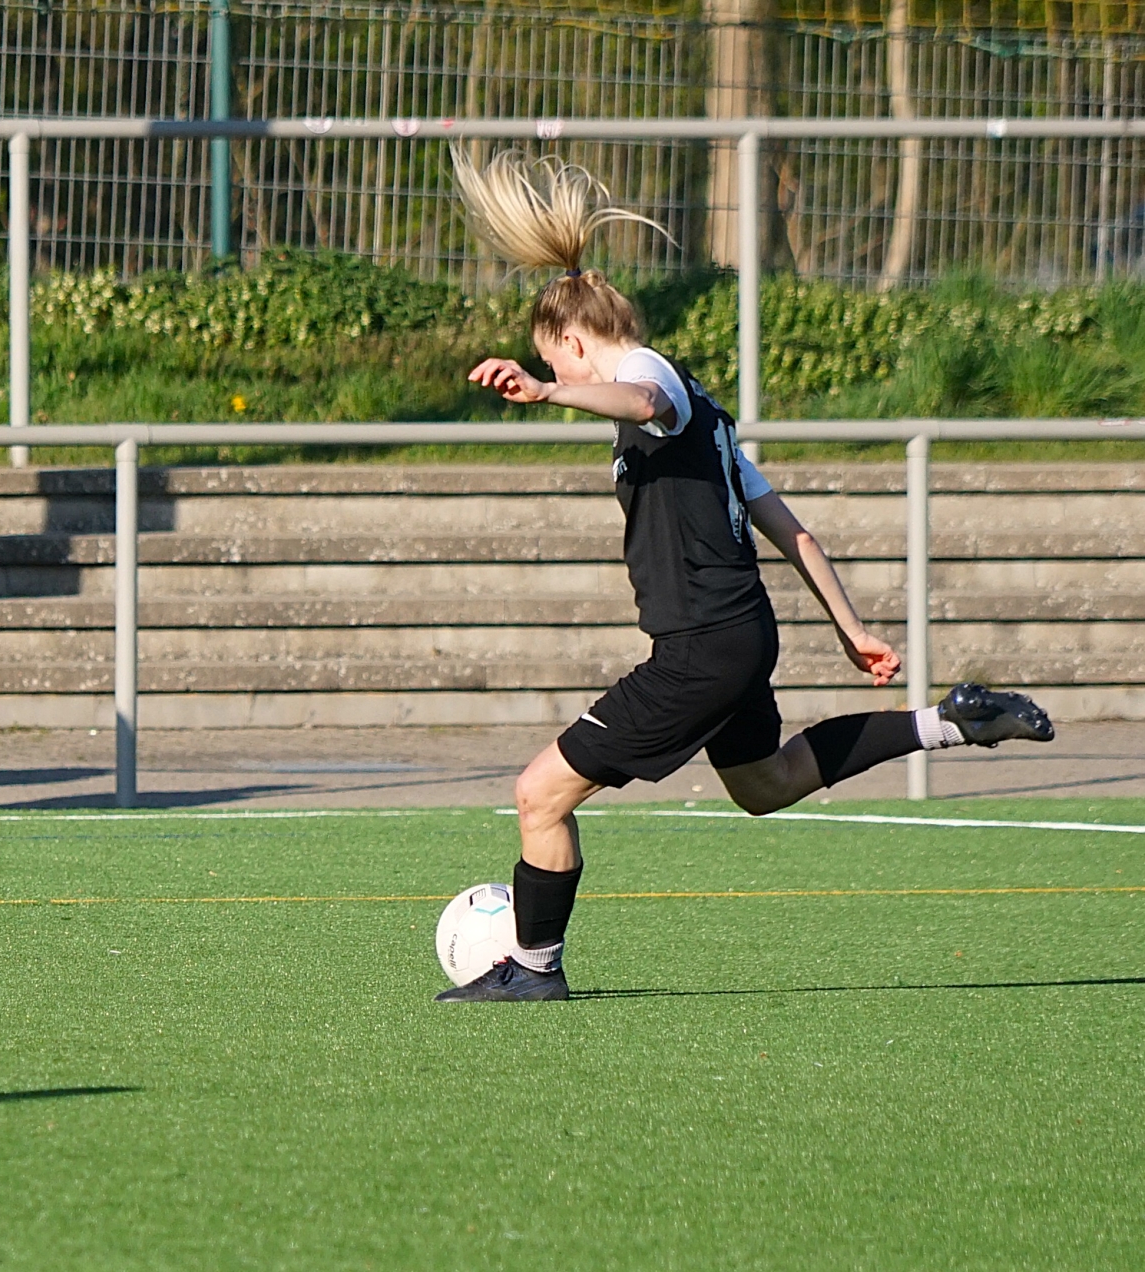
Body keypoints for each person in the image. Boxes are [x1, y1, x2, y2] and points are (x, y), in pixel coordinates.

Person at [436, 152, 1055, 1003]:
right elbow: (789, 527)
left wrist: (547, 393)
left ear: (574, 344)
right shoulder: (712, 419)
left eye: (561, 362)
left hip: (700, 648)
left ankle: (534, 969)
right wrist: (850, 627)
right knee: (767, 785)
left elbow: (642, 401)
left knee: (539, 795)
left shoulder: (651, 379)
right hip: (737, 636)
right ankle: (949, 722)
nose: (566, 380)